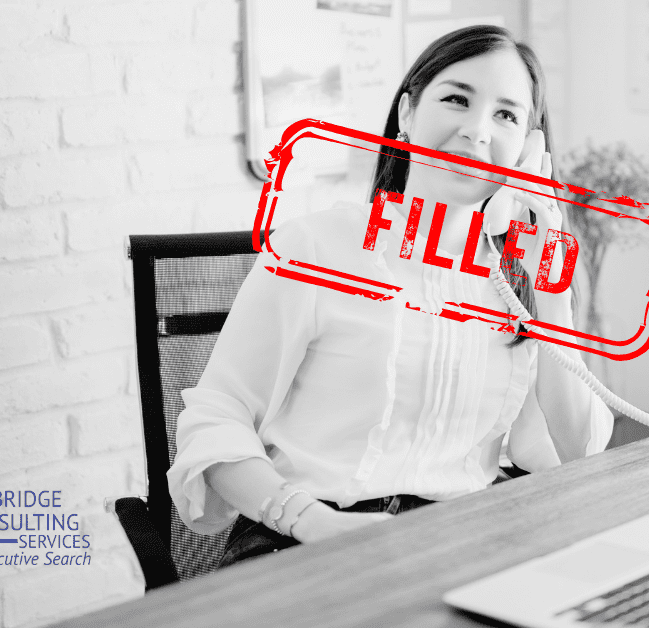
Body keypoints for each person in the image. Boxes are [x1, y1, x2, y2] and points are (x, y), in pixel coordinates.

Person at [166, 25, 614, 569]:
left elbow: (576, 451)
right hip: (309, 542)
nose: (476, 132)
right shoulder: (317, 247)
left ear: (528, 151)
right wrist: (309, 520)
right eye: (456, 99)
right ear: (407, 114)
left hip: (458, 545)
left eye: (506, 115)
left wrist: (553, 293)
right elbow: (216, 415)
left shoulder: (512, 284)